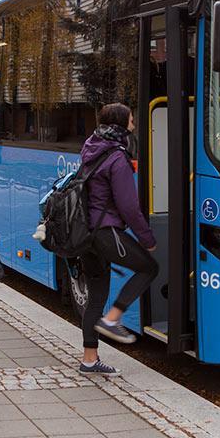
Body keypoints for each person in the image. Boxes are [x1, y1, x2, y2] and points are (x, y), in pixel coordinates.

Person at [77, 103, 159, 377]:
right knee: (149, 267)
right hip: (106, 231)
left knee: (96, 296)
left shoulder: (92, 146)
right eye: (132, 120)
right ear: (122, 124)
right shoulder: (116, 157)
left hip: (87, 234)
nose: (134, 123)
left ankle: (89, 361)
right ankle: (114, 319)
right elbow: (128, 206)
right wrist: (146, 238)